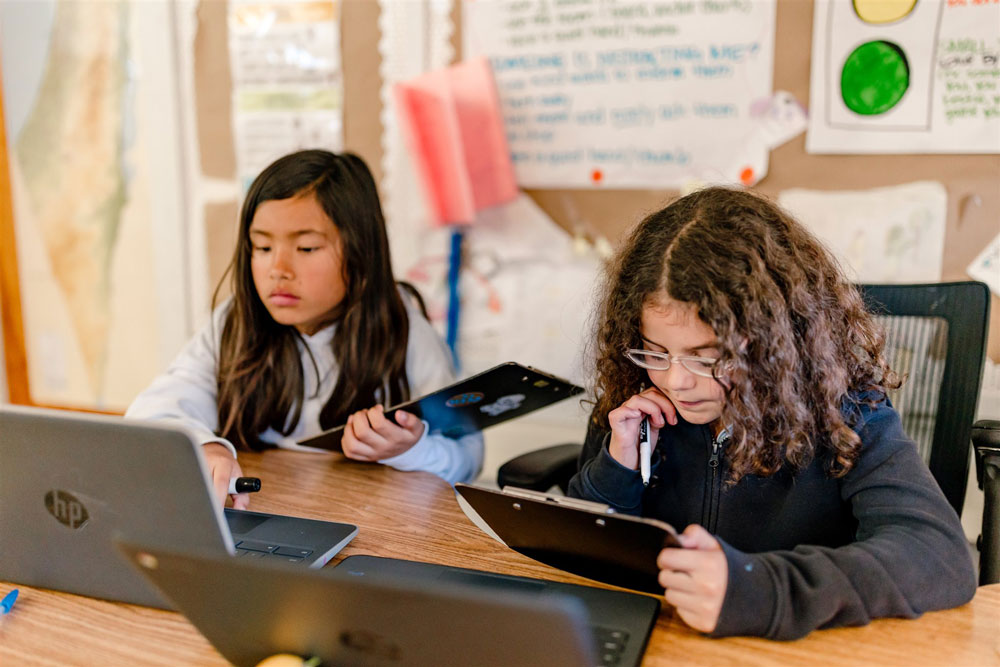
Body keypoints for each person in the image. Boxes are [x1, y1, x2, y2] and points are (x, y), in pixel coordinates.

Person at [567, 186, 976, 639]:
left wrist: (760, 590)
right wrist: (616, 467)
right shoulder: (638, 396)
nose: (678, 380)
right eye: (657, 351)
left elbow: (937, 556)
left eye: (708, 357)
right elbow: (583, 556)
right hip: (664, 640)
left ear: (772, 344)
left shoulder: (848, 413)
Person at [126, 150, 483, 508]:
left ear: (361, 253)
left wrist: (411, 450)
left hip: (371, 526)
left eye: (306, 247)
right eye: (263, 246)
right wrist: (206, 446)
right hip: (261, 514)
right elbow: (155, 409)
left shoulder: (404, 331)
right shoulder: (235, 323)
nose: (278, 269)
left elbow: (469, 458)